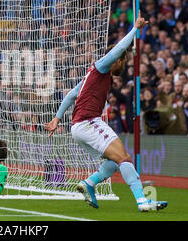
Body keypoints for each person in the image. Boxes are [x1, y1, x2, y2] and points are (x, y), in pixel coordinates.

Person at [46, 11, 168, 212]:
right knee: (125, 158)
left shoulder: (93, 76)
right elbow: (119, 48)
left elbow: (70, 96)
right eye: (124, 60)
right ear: (117, 60)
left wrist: (56, 119)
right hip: (88, 122)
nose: (124, 64)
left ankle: (89, 183)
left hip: (79, 127)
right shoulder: (102, 67)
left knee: (113, 162)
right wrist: (135, 29)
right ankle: (143, 202)